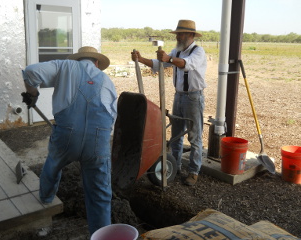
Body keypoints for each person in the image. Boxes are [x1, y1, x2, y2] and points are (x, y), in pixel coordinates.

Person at [21, 46, 117, 234]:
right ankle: (101, 234)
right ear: (97, 63)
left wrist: (33, 94)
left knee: (53, 164)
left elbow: (31, 72)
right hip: (99, 139)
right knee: (100, 191)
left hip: (67, 136)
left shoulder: (66, 65)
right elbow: (112, 115)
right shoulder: (107, 80)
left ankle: (46, 199)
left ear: (78, 59)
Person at [131, 20, 207, 186]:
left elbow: (186, 65)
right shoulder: (177, 52)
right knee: (176, 134)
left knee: (194, 136)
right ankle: (176, 165)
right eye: (178, 33)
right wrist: (141, 58)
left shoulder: (198, 52)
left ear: (191, 35)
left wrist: (169, 59)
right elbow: (160, 64)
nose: (178, 36)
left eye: (181, 33)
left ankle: (194, 172)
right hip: (179, 96)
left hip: (194, 97)